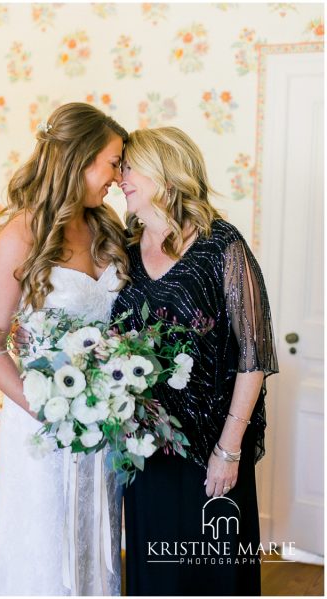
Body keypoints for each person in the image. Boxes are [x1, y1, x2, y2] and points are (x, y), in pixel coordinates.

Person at [113, 127, 278, 595]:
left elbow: (254, 356)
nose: (120, 178)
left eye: (130, 166)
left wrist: (228, 450)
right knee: (157, 573)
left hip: (212, 446)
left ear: (166, 172)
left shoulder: (221, 245)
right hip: (147, 448)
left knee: (214, 569)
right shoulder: (123, 248)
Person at [0, 102, 129, 596]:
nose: (118, 176)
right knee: (44, 547)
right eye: (113, 162)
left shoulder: (107, 227)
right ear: (80, 159)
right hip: (43, 421)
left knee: (95, 537)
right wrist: (50, 410)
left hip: (103, 423)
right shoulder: (21, 234)